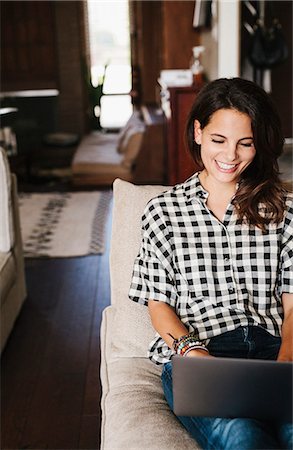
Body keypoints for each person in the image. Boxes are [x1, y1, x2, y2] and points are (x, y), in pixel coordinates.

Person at [129, 77, 293, 449]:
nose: (230, 156)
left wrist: (287, 361)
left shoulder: (284, 210)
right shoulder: (163, 212)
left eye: (245, 143)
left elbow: (292, 304)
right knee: (242, 436)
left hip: (274, 349)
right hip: (201, 352)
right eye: (219, 140)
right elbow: (159, 306)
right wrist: (194, 354)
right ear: (199, 132)